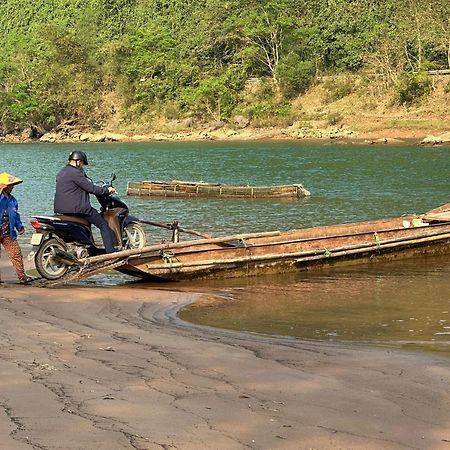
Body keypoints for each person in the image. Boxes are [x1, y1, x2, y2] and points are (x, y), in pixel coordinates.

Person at [54, 151, 117, 253]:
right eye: (83, 164)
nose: (83, 166)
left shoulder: (62, 172)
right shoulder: (76, 173)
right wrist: (106, 190)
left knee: (88, 222)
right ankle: (111, 252)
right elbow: (90, 188)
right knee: (103, 225)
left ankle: (91, 249)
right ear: (78, 161)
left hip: (61, 209)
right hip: (78, 209)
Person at [0, 172, 33, 284]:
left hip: (8, 232)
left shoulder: (12, 200)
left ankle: (22, 276)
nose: (12, 187)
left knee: (16, 254)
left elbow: (15, 215)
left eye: (13, 185)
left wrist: (19, 226)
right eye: (10, 185)